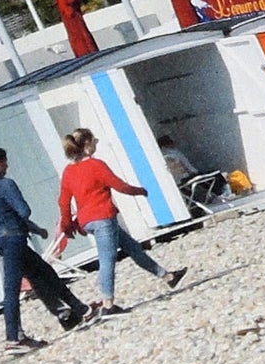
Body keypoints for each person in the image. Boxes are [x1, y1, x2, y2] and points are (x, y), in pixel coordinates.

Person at [56, 128, 187, 318]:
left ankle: (168, 277)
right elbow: (119, 185)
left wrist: (67, 226)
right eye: (94, 141)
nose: (96, 145)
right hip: (103, 218)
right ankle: (108, 304)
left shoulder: (69, 171)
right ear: (87, 145)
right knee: (107, 260)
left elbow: (64, 201)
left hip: (87, 221)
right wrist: (139, 191)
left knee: (133, 248)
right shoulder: (96, 165)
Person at [0, 147, 88, 350]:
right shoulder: (5, 184)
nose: (7, 165)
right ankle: (13, 338)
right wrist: (14, 219)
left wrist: (5, 223)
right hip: (13, 237)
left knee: (44, 271)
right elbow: (24, 210)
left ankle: (80, 308)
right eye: (5, 162)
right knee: (12, 288)